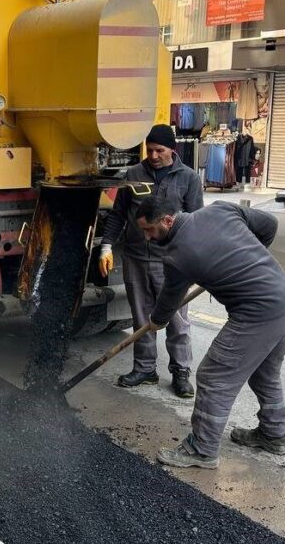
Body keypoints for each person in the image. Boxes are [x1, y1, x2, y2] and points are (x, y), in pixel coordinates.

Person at [133, 196, 285, 469]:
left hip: (258, 312)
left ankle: (202, 449)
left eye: (150, 230)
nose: (148, 238)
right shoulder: (221, 209)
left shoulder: (177, 255)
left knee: (214, 376)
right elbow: (269, 224)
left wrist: (156, 321)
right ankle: (273, 434)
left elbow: (169, 299)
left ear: (168, 220)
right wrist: (251, 255)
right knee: (264, 372)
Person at [98, 124, 202, 398]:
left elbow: (196, 220)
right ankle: (145, 369)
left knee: (177, 320)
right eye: (149, 149)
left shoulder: (188, 178)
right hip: (136, 257)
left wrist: (192, 258)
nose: (153, 155)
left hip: (172, 261)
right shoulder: (134, 174)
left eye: (159, 150)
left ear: (172, 150)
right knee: (142, 318)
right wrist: (106, 246)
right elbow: (119, 214)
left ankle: (181, 372)